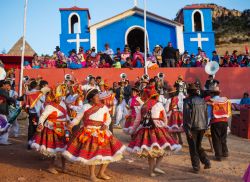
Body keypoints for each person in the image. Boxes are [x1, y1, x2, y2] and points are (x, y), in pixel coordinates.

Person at [63, 89, 126, 182]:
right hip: (89, 132)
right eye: (96, 96)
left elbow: (108, 118)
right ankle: (92, 175)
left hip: (102, 132)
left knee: (109, 152)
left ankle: (101, 173)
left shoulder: (103, 107)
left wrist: (106, 124)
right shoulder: (85, 107)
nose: (98, 97)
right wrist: (71, 125)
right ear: (91, 98)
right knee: (93, 154)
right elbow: (77, 119)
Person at [127, 87, 182, 177]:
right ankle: (157, 166)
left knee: (150, 152)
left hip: (145, 129)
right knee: (163, 148)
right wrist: (164, 125)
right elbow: (164, 117)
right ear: (155, 96)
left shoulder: (142, 106)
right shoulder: (159, 105)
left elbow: (137, 121)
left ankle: (151, 172)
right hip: (158, 128)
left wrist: (133, 131)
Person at [31, 84, 68, 174]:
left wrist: (69, 122)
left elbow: (66, 115)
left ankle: (64, 167)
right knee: (54, 148)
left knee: (64, 148)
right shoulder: (49, 106)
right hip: (52, 128)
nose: (59, 99)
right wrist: (40, 124)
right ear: (54, 97)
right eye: (58, 97)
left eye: (61, 97)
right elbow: (43, 117)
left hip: (63, 127)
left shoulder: (63, 103)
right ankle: (51, 166)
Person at [183, 83, 211, 173]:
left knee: (193, 147)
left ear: (189, 92)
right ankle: (206, 161)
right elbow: (206, 115)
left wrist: (187, 130)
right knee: (198, 146)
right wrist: (206, 126)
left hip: (193, 128)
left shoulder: (187, 101)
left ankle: (196, 167)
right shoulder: (202, 101)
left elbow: (187, 117)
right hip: (202, 127)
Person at [207, 86, 231, 161]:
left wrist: (207, 124)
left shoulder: (211, 101)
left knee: (216, 139)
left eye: (211, 93)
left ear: (212, 93)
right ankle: (225, 152)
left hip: (215, 122)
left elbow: (209, 114)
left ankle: (218, 156)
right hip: (224, 121)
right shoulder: (225, 100)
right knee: (223, 137)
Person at [24, 80, 45, 149]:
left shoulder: (27, 93)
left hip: (31, 113)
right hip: (37, 113)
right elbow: (44, 101)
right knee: (38, 129)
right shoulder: (39, 93)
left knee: (31, 128)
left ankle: (29, 144)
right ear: (36, 86)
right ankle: (36, 144)